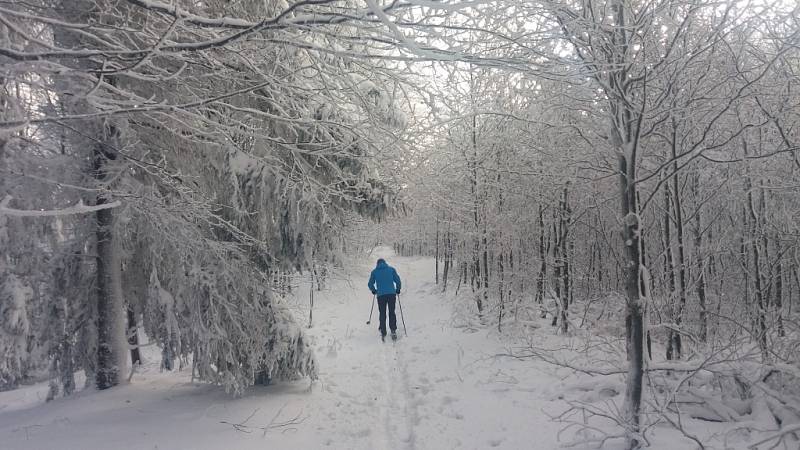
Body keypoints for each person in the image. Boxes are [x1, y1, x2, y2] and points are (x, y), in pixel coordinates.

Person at [367, 258, 402, 340]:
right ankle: (393, 330)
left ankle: (383, 331)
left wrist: (373, 290)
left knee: (382, 312)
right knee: (391, 312)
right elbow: (398, 280)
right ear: (385, 263)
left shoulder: (375, 271)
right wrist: (398, 289)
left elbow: (370, 283)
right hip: (391, 294)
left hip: (381, 295)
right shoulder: (391, 269)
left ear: (377, 264)